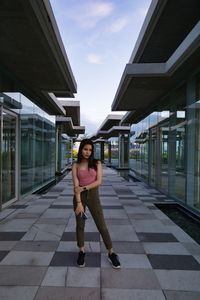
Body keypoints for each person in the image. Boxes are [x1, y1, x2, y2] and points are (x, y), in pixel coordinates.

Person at [72, 139, 121, 269]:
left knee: (101, 225)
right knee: (80, 225)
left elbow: (99, 181)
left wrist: (84, 188)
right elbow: (76, 187)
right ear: (81, 149)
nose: (87, 152)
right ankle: (81, 251)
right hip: (79, 197)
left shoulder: (96, 163)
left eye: (90, 150)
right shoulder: (76, 165)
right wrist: (79, 203)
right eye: (85, 149)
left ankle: (111, 252)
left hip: (93, 196)